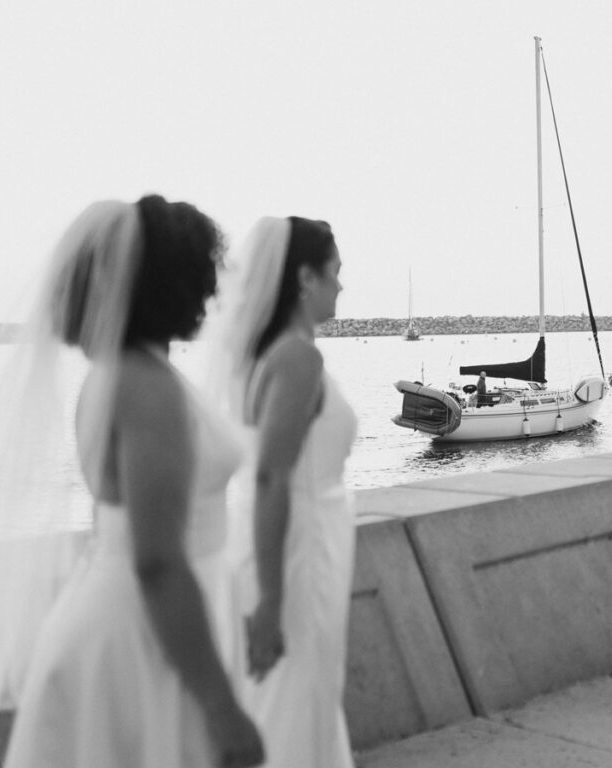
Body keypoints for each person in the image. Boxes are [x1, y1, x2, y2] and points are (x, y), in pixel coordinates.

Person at [0, 196, 264, 768]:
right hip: (141, 636)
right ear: (167, 283)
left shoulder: (120, 374)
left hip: (138, 617)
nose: (210, 289)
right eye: (199, 274)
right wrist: (222, 707)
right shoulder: (146, 385)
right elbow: (158, 560)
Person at [219, 215, 358, 768]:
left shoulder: (263, 355)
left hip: (292, 544)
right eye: (335, 272)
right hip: (300, 554)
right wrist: (272, 604)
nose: (342, 285)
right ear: (305, 277)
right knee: (297, 704)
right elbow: (271, 475)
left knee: (292, 701)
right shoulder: (299, 358)